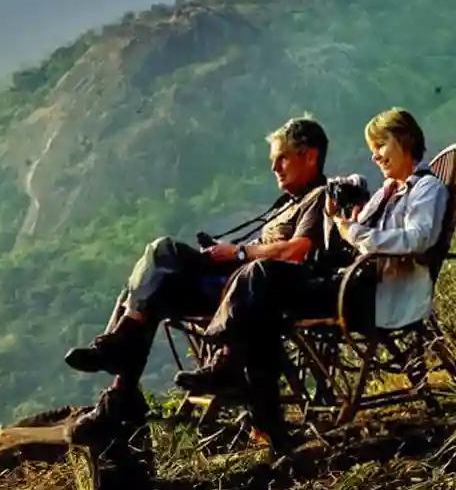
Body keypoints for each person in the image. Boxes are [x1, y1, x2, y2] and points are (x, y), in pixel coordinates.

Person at [175, 108, 448, 452]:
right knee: (261, 303)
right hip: (349, 283)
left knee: (260, 274)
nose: (375, 156)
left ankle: (230, 366)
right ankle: (268, 421)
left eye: (381, 145)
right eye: (373, 148)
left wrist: (354, 231)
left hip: (372, 295)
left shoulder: (426, 188)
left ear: (405, 141)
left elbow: (417, 238)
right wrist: (338, 216)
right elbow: (347, 234)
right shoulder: (386, 192)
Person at [62, 116, 333, 391]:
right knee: (150, 272)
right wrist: (223, 251)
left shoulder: (319, 197)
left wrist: (238, 252)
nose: (274, 168)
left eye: (283, 158)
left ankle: (122, 381)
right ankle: (119, 373)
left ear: (310, 157)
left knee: (157, 276)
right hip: (235, 282)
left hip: (255, 292)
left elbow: (296, 251)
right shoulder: (288, 203)